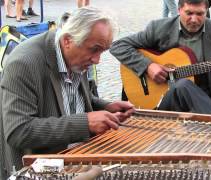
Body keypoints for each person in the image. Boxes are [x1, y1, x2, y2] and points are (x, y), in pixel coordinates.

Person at [0, 7, 135, 179]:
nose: (97, 60)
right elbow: (18, 131)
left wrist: (106, 106)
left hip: (80, 155)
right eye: (94, 49)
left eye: (102, 51)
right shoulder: (24, 63)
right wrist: (85, 124)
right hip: (39, 168)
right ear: (67, 41)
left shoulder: (78, 58)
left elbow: (72, 99)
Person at [110, 0, 211, 115]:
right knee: (183, 85)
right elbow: (118, 46)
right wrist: (148, 66)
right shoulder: (159, 28)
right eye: (189, 13)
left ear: (207, 11)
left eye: (200, 14)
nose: (194, 19)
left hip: (206, 102)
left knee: (183, 86)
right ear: (179, 9)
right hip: (164, 104)